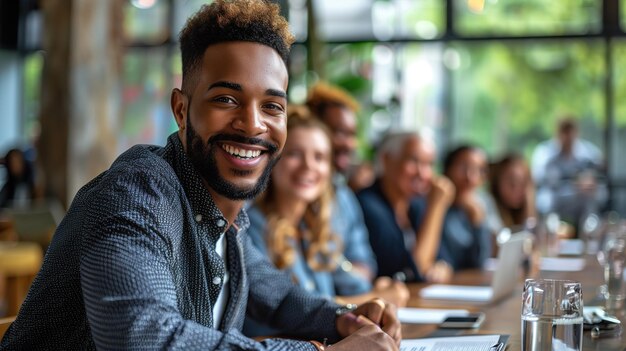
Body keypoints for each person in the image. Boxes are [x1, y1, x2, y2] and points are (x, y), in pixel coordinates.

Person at [0, 2, 401, 350]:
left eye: (272, 106)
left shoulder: (224, 220)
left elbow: (280, 299)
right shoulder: (138, 192)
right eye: (226, 99)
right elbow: (142, 340)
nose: (252, 125)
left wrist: (347, 318)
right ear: (181, 110)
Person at [243, 109, 409, 337]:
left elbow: (355, 285)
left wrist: (378, 294)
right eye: (294, 154)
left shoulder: (311, 229)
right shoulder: (251, 227)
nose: (309, 166)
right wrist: (371, 300)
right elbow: (293, 311)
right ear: (273, 160)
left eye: (319, 157)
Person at [357, 132, 455, 283]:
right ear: (386, 160)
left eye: (429, 164)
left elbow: (443, 258)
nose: (423, 174)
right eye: (413, 161)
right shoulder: (368, 205)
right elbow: (414, 270)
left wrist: (442, 266)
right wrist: (436, 207)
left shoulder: (415, 205)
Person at [306, 82, 377, 282]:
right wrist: (347, 272)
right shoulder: (291, 194)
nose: (349, 143)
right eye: (339, 132)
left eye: (352, 134)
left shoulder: (344, 197)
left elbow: (366, 263)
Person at [531, 117, 606, 230]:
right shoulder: (545, 155)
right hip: (554, 214)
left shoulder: (589, 155)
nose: (568, 139)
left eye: (571, 134)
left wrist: (591, 185)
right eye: (564, 133)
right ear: (557, 134)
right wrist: (574, 187)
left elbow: (602, 193)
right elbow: (541, 192)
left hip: (584, 218)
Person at [439, 145, 492, 270]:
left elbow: (480, 263)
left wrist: (478, 224)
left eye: (479, 170)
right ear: (447, 169)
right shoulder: (432, 206)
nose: (470, 178)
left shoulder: (479, 205)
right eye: (463, 168)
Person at [486, 153, 536, 233]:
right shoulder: (487, 206)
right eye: (511, 181)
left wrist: (529, 202)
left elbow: (530, 235)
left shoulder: (519, 212)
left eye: (523, 182)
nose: (517, 188)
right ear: (497, 182)